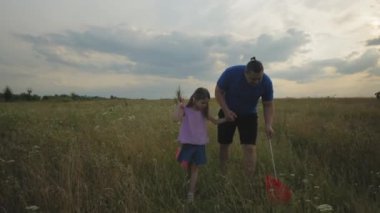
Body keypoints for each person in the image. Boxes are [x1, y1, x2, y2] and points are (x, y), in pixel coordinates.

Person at [215, 57, 274, 177]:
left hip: (249, 115)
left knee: (250, 148)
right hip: (228, 112)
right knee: (224, 144)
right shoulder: (231, 73)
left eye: (259, 78)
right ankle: (223, 174)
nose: (257, 82)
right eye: (253, 79)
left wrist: (268, 125)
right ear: (245, 73)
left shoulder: (266, 82)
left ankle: (248, 179)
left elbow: (267, 105)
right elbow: (218, 92)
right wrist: (226, 111)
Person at [172, 87, 226, 203]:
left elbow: (215, 121)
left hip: (200, 145)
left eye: (206, 103)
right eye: (202, 103)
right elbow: (175, 119)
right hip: (187, 144)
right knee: (189, 168)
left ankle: (190, 194)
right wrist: (179, 106)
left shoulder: (204, 112)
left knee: (195, 169)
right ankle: (190, 186)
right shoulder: (186, 109)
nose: (204, 105)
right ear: (195, 99)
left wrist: (226, 119)